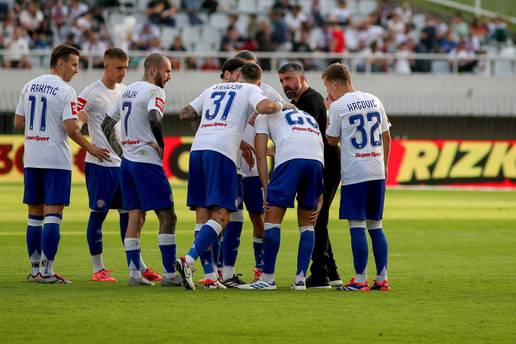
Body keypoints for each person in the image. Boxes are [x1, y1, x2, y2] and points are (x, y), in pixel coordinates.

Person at [175, 59, 284, 290]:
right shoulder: (250, 89)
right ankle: (189, 259)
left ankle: (210, 277)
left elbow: (185, 113)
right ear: (258, 80)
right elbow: (266, 107)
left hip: (197, 150)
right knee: (223, 216)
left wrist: (209, 123)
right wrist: (279, 106)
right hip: (222, 152)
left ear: (236, 75)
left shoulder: (211, 89)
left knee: (202, 215)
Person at [14, 45, 110, 284]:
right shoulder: (65, 90)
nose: (76, 70)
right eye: (74, 64)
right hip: (55, 159)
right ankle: (47, 272)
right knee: (53, 216)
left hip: (32, 158)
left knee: (34, 216)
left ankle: (35, 270)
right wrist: (88, 138)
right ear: (60, 63)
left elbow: (18, 121)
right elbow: (72, 129)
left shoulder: (30, 85)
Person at [77, 48, 161, 283]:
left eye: (126, 67)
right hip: (100, 164)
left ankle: (137, 266)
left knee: (130, 214)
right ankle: (98, 269)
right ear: (106, 67)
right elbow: (75, 124)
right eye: (119, 68)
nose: (124, 72)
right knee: (99, 214)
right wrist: (89, 146)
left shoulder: (125, 91)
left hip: (124, 163)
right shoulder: (91, 93)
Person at [101, 53, 180, 287]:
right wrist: (162, 145)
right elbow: (155, 118)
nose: (169, 77)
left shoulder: (127, 90)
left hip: (127, 164)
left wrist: (122, 152)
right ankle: (169, 274)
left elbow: (106, 124)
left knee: (135, 216)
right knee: (167, 215)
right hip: (147, 162)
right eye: (167, 71)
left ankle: (134, 273)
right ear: (153, 70)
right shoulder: (155, 91)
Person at [239, 82, 325, 291]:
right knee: (307, 224)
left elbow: (260, 156)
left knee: (272, 220)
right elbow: (311, 149)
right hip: (315, 164)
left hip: (290, 163)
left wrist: (266, 189)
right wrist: (320, 195)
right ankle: (300, 279)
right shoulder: (306, 117)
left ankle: (267, 279)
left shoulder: (263, 116)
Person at [323, 63, 391, 292]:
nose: (327, 92)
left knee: (357, 225)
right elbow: (387, 137)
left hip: (356, 172)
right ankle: (382, 278)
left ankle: (360, 279)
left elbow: (331, 140)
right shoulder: (374, 99)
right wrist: (386, 166)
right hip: (377, 168)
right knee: (376, 225)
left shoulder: (338, 105)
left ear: (334, 84)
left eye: (327, 87)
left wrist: (329, 111)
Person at [278, 62, 342, 288]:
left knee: (316, 216)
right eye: (282, 81)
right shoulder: (301, 102)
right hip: (320, 162)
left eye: (288, 79)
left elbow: (305, 135)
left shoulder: (310, 100)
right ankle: (330, 272)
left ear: (302, 77)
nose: (285, 84)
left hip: (326, 162)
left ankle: (321, 274)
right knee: (319, 217)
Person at [223, 50, 285, 284]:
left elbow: (283, 116)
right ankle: (223, 268)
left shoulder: (267, 93)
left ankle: (259, 267)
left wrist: (271, 150)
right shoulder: (228, 90)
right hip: (234, 162)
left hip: (255, 170)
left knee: (258, 217)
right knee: (228, 216)